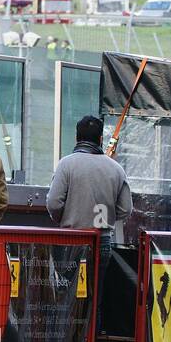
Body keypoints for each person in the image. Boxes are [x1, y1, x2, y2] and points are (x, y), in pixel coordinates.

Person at [46, 114, 132, 268]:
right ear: (100, 139)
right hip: (102, 240)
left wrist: (66, 217)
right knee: (95, 289)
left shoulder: (66, 165)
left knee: (68, 289)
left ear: (76, 138)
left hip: (71, 238)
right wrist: (107, 216)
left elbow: (53, 203)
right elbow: (126, 209)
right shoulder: (116, 169)